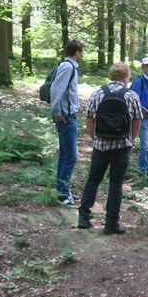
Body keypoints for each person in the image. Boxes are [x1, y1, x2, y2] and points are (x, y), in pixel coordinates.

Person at [77, 62, 142, 233]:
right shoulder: (131, 96)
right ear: (125, 77)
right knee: (115, 184)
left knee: (93, 180)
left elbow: (89, 119)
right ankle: (111, 224)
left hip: (100, 146)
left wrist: (95, 138)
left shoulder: (97, 93)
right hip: (122, 146)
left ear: (111, 76)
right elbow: (137, 122)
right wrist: (131, 140)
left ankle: (83, 218)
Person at [50, 39, 84, 205]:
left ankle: (63, 190)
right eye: (82, 51)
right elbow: (56, 90)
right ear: (76, 52)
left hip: (68, 116)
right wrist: (57, 112)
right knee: (70, 156)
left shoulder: (69, 67)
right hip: (65, 117)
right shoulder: (68, 67)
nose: (82, 55)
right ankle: (63, 195)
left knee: (65, 155)